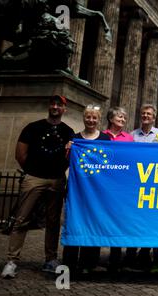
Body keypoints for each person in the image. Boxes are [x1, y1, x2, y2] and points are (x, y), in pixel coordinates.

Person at [1, 95, 75, 279]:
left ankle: (50, 259)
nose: (55, 106)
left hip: (57, 180)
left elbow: (71, 156)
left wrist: (58, 169)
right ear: (49, 106)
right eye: (53, 103)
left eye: (59, 104)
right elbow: (20, 154)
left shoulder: (68, 131)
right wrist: (33, 171)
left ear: (64, 109)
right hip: (34, 178)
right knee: (21, 219)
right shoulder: (33, 127)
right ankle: (12, 261)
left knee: (53, 221)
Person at [62, 104, 110, 275]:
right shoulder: (75, 138)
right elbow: (66, 163)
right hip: (76, 190)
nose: (91, 120)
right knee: (74, 223)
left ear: (99, 119)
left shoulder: (105, 139)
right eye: (88, 117)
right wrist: (67, 150)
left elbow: (109, 166)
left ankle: (88, 263)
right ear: (84, 118)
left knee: (93, 224)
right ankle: (69, 262)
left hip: (97, 191)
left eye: (94, 117)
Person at [129, 104, 158, 273]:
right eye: (143, 113)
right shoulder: (132, 135)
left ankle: (154, 258)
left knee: (154, 224)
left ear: (154, 118)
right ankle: (132, 257)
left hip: (155, 185)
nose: (145, 116)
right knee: (135, 222)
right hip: (136, 184)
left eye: (149, 114)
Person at [102, 107, 133, 274]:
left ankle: (115, 258)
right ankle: (91, 257)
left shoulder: (129, 138)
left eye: (124, 117)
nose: (122, 119)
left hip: (121, 186)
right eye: (120, 116)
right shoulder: (102, 136)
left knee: (118, 221)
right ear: (111, 118)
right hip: (103, 185)